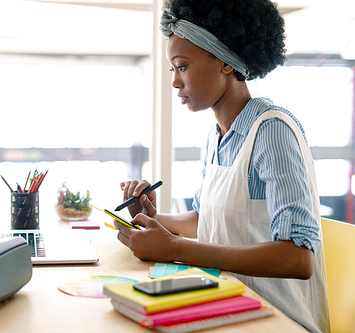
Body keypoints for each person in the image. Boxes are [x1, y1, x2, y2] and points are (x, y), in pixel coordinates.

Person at [114, 1, 330, 332]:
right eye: (172, 70)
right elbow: (205, 222)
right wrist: (154, 218)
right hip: (230, 308)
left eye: (182, 66)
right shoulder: (218, 137)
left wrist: (175, 248)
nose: (175, 82)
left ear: (226, 62)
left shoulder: (271, 131)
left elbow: (298, 258)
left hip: (278, 320)